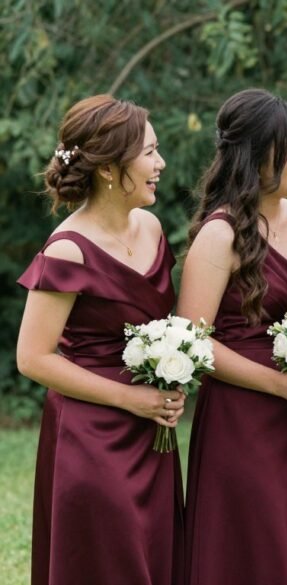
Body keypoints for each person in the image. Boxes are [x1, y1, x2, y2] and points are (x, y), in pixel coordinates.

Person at [16, 94, 183, 585]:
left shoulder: (151, 228)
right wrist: (130, 398)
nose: (161, 164)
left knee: (152, 556)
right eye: (150, 153)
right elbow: (33, 357)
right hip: (91, 436)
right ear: (110, 168)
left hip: (153, 430)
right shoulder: (69, 247)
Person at [177, 88, 287, 585]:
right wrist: (282, 385)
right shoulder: (220, 235)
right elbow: (192, 342)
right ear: (259, 154)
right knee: (250, 549)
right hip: (242, 421)